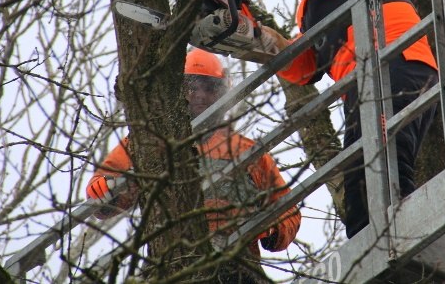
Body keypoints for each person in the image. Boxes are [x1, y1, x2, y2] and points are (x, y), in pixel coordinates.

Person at [201, 0, 439, 239]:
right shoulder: (314, 7)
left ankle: (399, 254)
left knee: (379, 179)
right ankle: (391, 252)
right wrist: (255, 39)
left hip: (394, 59)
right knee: (365, 186)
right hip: (369, 81)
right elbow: (308, 65)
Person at [86, 49, 301, 278]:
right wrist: (102, 190)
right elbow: (107, 186)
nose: (200, 95)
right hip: (171, 259)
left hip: (237, 265)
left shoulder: (247, 152)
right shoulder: (150, 142)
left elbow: (288, 211)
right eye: (191, 87)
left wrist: (268, 226)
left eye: (209, 88)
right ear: (177, 91)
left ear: (223, 93)